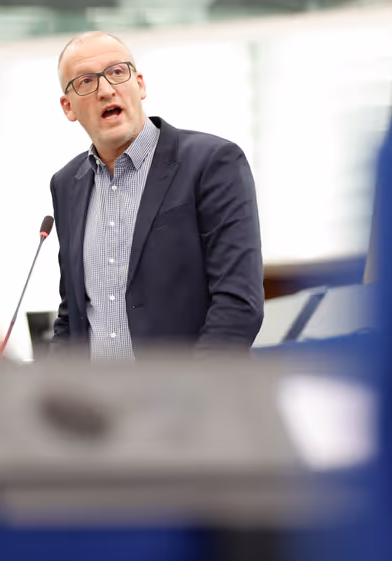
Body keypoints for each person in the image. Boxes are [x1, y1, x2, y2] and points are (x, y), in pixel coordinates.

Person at [49, 31, 263, 360]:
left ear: (140, 84)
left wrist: (183, 402)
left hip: (190, 403)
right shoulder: (66, 184)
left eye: (117, 73)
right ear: (68, 107)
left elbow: (237, 306)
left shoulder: (212, 162)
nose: (106, 90)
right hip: (99, 407)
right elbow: (72, 315)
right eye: (86, 82)